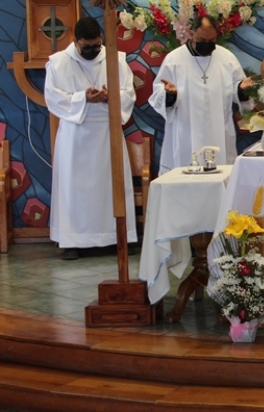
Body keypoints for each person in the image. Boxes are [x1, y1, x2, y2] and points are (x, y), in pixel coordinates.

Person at [45, 16, 137, 260]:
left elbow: (128, 93)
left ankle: (113, 237)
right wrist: (83, 98)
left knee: (109, 185)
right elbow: (53, 98)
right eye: (87, 47)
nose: (93, 51)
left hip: (107, 132)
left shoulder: (115, 59)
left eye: (97, 46)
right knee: (74, 189)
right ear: (75, 41)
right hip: (76, 134)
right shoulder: (58, 63)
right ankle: (73, 241)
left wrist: (108, 96)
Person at [149, 15, 253, 176]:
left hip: (219, 130)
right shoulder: (174, 60)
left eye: (212, 41)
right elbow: (158, 95)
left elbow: (236, 90)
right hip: (185, 132)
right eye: (202, 40)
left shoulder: (227, 58)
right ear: (191, 34)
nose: (207, 45)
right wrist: (169, 95)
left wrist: (241, 89)